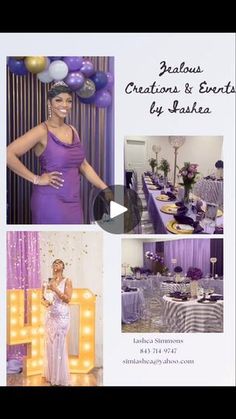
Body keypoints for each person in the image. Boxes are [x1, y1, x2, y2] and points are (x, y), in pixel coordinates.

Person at [7, 81, 109, 224]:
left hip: (74, 202)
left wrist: (106, 189)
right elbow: (8, 154)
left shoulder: (73, 130)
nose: (64, 105)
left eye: (69, 101)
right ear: (50, 103)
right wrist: (36, 179)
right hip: (50, 201)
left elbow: (84, 166)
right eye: (58, 100)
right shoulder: (42, 131)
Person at [41, 259, 72, 386]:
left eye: (59, 263)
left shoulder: (67, 281)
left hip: (62, 316)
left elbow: (68, 299)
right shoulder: (49, 281)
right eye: (54, 263)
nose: (56, 264)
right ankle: (51, 375)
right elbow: (44, 299)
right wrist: (45, 301)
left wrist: (55, 289)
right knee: (50, 344)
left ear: (63, 267)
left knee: (59, 345)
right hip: (50, 316)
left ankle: (59, 378)